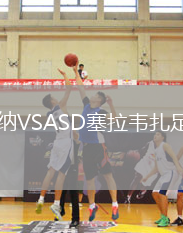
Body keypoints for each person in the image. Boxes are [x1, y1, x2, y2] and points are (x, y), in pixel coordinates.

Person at [73, 63, 119, 221]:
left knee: (108, 176)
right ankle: (92, 206)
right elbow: (80, 87)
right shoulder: (86, 105)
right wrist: (75, 72)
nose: (92, 96)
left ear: (99, 100)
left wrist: (111, 104)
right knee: (89, 178)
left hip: (99, 147)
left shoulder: (101, 111)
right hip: (86, 148)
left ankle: (115, 204)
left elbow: (114, 118)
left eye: (96, 96)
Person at [36, 69, 73, 216]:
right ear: (52, 101)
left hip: (57, 142)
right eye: (54, 97)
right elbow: (69, 88)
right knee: (62, 173)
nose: (56, 98)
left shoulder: (50, 114)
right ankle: (56, 204)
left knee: (50, 171)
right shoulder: (60, 106)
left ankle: (41, 199)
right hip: (65, 143)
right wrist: (65, 75)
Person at [141, 131, 183, 227]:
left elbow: (174, 157)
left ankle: (165, 219)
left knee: (162, 194)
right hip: (164, 175)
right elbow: (156, 168)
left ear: (163, 137)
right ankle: (164, 216)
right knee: (155, 193)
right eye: (155, 134)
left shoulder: (165, 145)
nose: (155, 136)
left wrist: (178, 167)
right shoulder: (156, 150)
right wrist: (147, 176)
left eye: (158, 134)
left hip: (171, 172)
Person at [124, 137, 157, 204]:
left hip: (153, 167)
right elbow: (141, 151)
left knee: (144, 182)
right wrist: (135, 152)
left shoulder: (164, 148)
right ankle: (128, 197)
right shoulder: (150, 143)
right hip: (144, 162)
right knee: (137, 178)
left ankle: (143, 190)